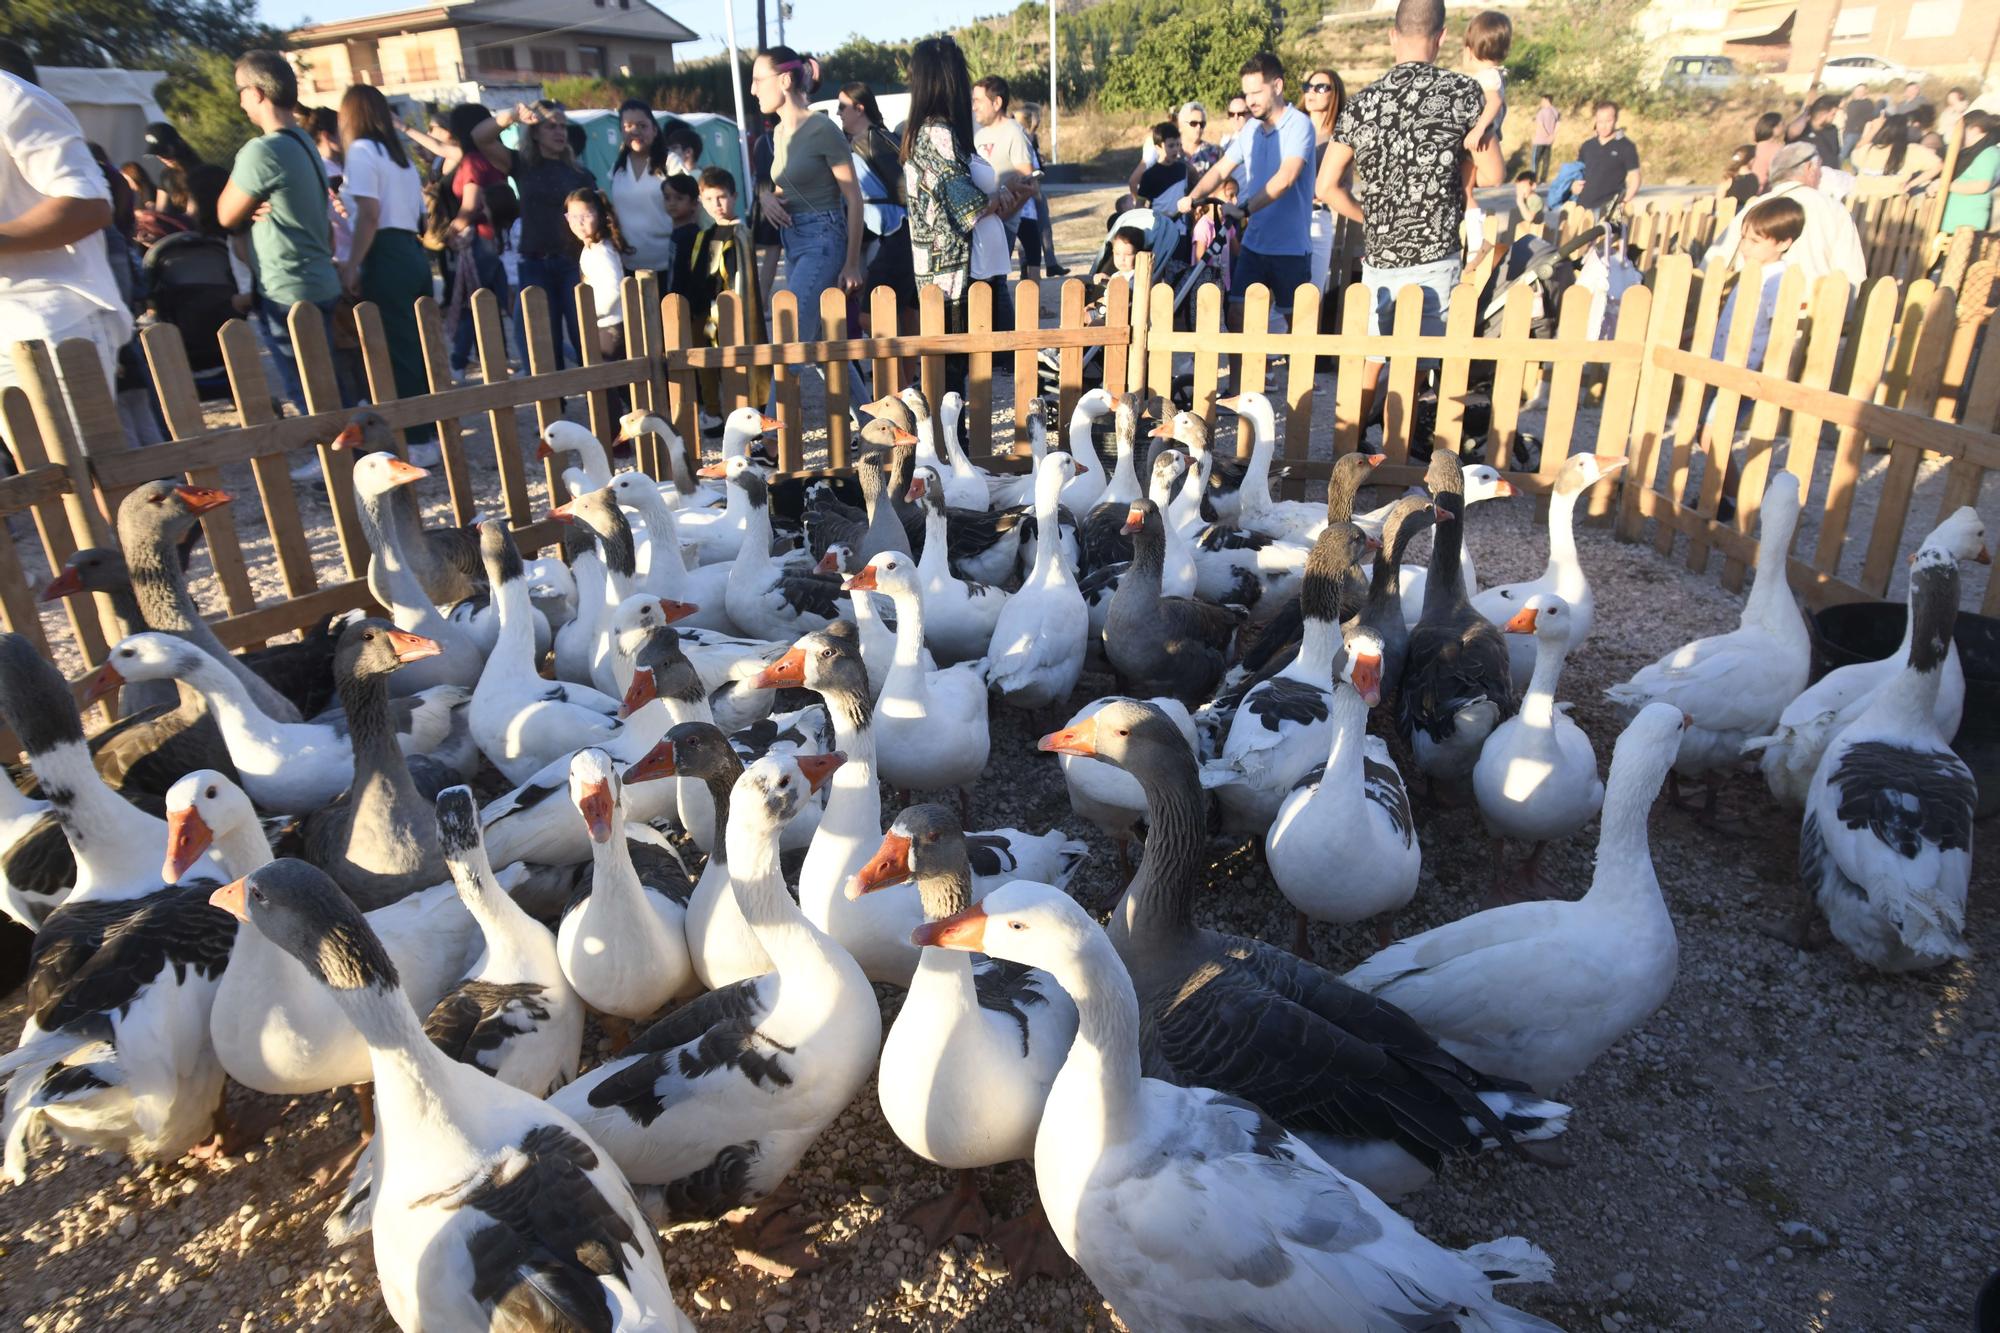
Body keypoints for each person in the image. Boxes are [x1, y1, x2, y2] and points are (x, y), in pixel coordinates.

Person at [1316, 0, 1488, 417]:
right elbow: (1490, 169)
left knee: (1373, 358)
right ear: (1442, 37)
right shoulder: (1465, 94)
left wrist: (1368, 217)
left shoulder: (1362, 104)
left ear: (1392, 35)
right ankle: (1401, 455)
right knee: (1419, 364)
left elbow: (1326, 186)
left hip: (1382, 257)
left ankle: (1352, 444)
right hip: (1436, 255)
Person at [0, 41, 134, 455]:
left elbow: (89, 205)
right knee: (41, 488)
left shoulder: (11, 98)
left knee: (82, 482)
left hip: (50, 321)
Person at [216, 51, 344, 415]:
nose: (240, 102)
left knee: (307, 389)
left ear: (256, 92)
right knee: (330, 383)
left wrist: (246, 207)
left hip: (286, 285)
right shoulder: (304, 142)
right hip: (319, 277)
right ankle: (352, 458)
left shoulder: (263, 150)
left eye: (240, 92)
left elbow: (225, 213)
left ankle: (331, 460)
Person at [1178, 52, 1318, 329]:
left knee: (1298, 327)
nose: (1250, 100)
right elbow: (1220, 169)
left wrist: (1244, 209)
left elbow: (1285, 178)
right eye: (1246, 93)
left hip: (1289, 247)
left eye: (1256, 92)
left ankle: (1298, 374)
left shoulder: (1300, 125)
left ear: (1277, 87)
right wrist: (1192, 197)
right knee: (1237, 318)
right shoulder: (1251, 129)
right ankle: (1245, 375)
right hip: (1254, 244)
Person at [338, 84, 434, 453]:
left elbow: (370, 215)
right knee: (417, 346)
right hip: (411, 249)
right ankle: (426, 432)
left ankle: (418, 439)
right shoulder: (401, 157)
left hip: (386, 251)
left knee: (399, 349)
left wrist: (352, 265)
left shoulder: (362, 151)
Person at [752, 48, 864, 344]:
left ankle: (774, 394)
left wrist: (852, 264)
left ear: (785, 80)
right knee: (817, 344)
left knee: (789, 339)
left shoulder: (823, 129)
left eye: (758, 80)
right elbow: (784, 186)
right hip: (794, 241)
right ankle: (862, 395)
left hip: (823, 240)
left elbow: (854, 198)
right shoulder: (778, 133)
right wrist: (767, 198)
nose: (753, 90)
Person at [472, 99, 594, 370]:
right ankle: (555, 411)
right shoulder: (522, 164)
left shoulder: (579, 174)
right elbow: (480, 137)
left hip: (573, 264)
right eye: (551, 126)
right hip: (535, 264)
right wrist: (512, 115)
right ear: (536, 131)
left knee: (585, 341)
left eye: (563, 126)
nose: (560, 132)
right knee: (541, 348)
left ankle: (604, 407)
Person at [1712, 141, 1867, 290]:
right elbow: (1852, 274)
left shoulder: (1756, 206)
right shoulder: (1834, 209)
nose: (1821, 175)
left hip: (1751, 303)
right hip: (1815, 310)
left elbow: (1717, 260)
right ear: (1809, 168)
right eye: (1820, 168)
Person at [836, 82, 918, 307]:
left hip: (895, 233)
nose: (838, 113)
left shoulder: (873, 141)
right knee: (906, 311)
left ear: (859, 108)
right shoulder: (878, 138)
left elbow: (903, 187)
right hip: (889, 234)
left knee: (872, 314)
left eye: (842, 107)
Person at [607, 98, 680, 277]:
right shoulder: (617, 168)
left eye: (642, 125)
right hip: (627, 263)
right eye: (628, 126)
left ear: (654, 130)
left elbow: (691, 207)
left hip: (667, 263)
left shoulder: (670, 163)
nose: (635, 131)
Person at [972, 74, 1035, 266]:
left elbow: (1029, 184)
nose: (974, 107)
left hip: (1001, 227)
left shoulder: (1014, 133)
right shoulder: (979, 135)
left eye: (978, 101)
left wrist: (1003, 217)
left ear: (997, 102)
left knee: (995, 285)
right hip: (980, 223)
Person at [1300, 68, 1344, 294]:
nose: (1312, 92)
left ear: (1334, 93)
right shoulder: (1292, 129)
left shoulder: (1340, 136)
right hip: (1288, 216)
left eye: (1321, 87)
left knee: (1311, 293)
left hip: (1318, 214)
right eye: (1308, 86)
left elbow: (1341, 185)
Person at [1011, 102, 1066, 278]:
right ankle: (1032, 274)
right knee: (1035, 235)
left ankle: (1032, 271)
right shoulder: (1024, 139)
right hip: (1027, 197)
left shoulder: (1024, 138)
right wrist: (1036, 192)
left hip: (1022, 198)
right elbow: (1031, 170)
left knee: (1029, 237)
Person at [1130, 101, 1221, 202]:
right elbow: (1134, 181)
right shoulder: (1161, 149)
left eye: (1202, 124)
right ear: (1181, 124)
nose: (1198, 127)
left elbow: (1221, 187)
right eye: (1193, 123)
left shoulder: (1214, 152)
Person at [1571, 100, 1641, 219]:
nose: (1603, 125)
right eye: (1600, 121)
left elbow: (1635, 178)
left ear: (1615, 120)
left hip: (1610, 209)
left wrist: (1624, 202)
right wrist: (1574, 186)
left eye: (1608, 121)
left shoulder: (1626, 146)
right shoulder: (1587, 146)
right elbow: (1578, 174)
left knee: (1609, 238)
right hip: (1583, 207)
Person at [1852, 114, 1941, 198]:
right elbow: (1938, 165)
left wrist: (1872, 129)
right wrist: (1911, 184)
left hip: (1861, 203)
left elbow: (1857, 150)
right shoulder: (1912, 151)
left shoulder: (1869, 149)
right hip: (1893, 203)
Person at [1940, 111, 1999, 238]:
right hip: (1954, 223)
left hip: (1968, 224)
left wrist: (1946, 186)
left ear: (1975, 130)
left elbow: (1982, 185)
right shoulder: (1973, 153)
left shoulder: (1988, 154)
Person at [1132, 121, 1190, 207]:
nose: (1175, 149)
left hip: (1181, 220)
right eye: (1171, 146)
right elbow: (1140, 204)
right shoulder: (1149, 175)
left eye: (1178, 145)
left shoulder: (1183, 169)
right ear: (1157, 147)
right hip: (1158, 219)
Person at [1787, 94, 1842, 169]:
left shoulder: (1832, 129)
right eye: (1833, 114)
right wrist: (1806, 112)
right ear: (1823, 113)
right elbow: (1792, 132)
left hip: (1831, 175)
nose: (1834, 117)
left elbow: (1835, 154)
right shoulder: (1803, 129)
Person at [1840, 86, 1879, 169]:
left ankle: (1833, 168)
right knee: (1851, 155)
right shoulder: (1852, 103)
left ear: (1865, 91)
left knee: (1843, 154)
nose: (1857, 93)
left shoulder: (1868, 103)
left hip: (1857, 132)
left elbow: (1869, 118)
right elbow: (1848, 115)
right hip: (1847, 131)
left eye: (1860, 91)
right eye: (1856, 91)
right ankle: (1855, 172)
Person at [1749, 111, 1785, 189]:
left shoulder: (1755, 146)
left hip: (1750, 187)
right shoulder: (1778, 148)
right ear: (1774, 128)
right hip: (1766, 188)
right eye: (1782, 124)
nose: (1785, 127)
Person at [1530, 92, 1559, 183]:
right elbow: (1558, 125)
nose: (1541, 102)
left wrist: (1546, 134)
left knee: (1535, 161)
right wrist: (1552, 136)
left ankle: (1534, 179)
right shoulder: (1555, 111)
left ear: (1546, 100)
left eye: (1542, 100)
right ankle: (1543, 179)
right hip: (1549, 141)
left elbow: (1540, 125)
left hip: (1540, 140)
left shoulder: (1541, 112)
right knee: (1546, 160)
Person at [1722, 144, 1760, 210]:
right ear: (1751, 160)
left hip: (1728, 214)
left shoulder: (1729, 177)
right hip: (1747, 213)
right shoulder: (1754, 178)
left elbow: (1719, 199)